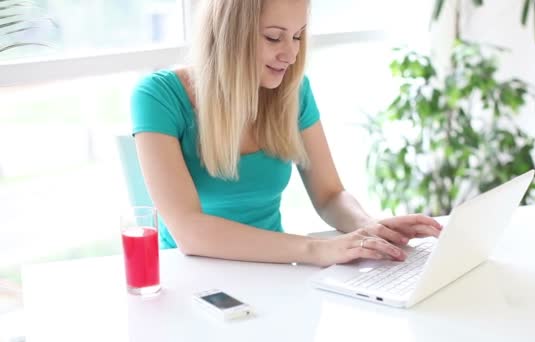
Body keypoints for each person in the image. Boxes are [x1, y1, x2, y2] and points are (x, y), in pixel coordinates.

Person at [130, 0, 442, 267]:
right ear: (229, 34)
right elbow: (189, 231)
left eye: (297, 36)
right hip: (193, 277)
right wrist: (316, 250)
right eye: (274, 37)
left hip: (274, 270)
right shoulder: (158, 96)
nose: (291, 54)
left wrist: (370, 229)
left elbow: (329, 195)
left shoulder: (292, 90)